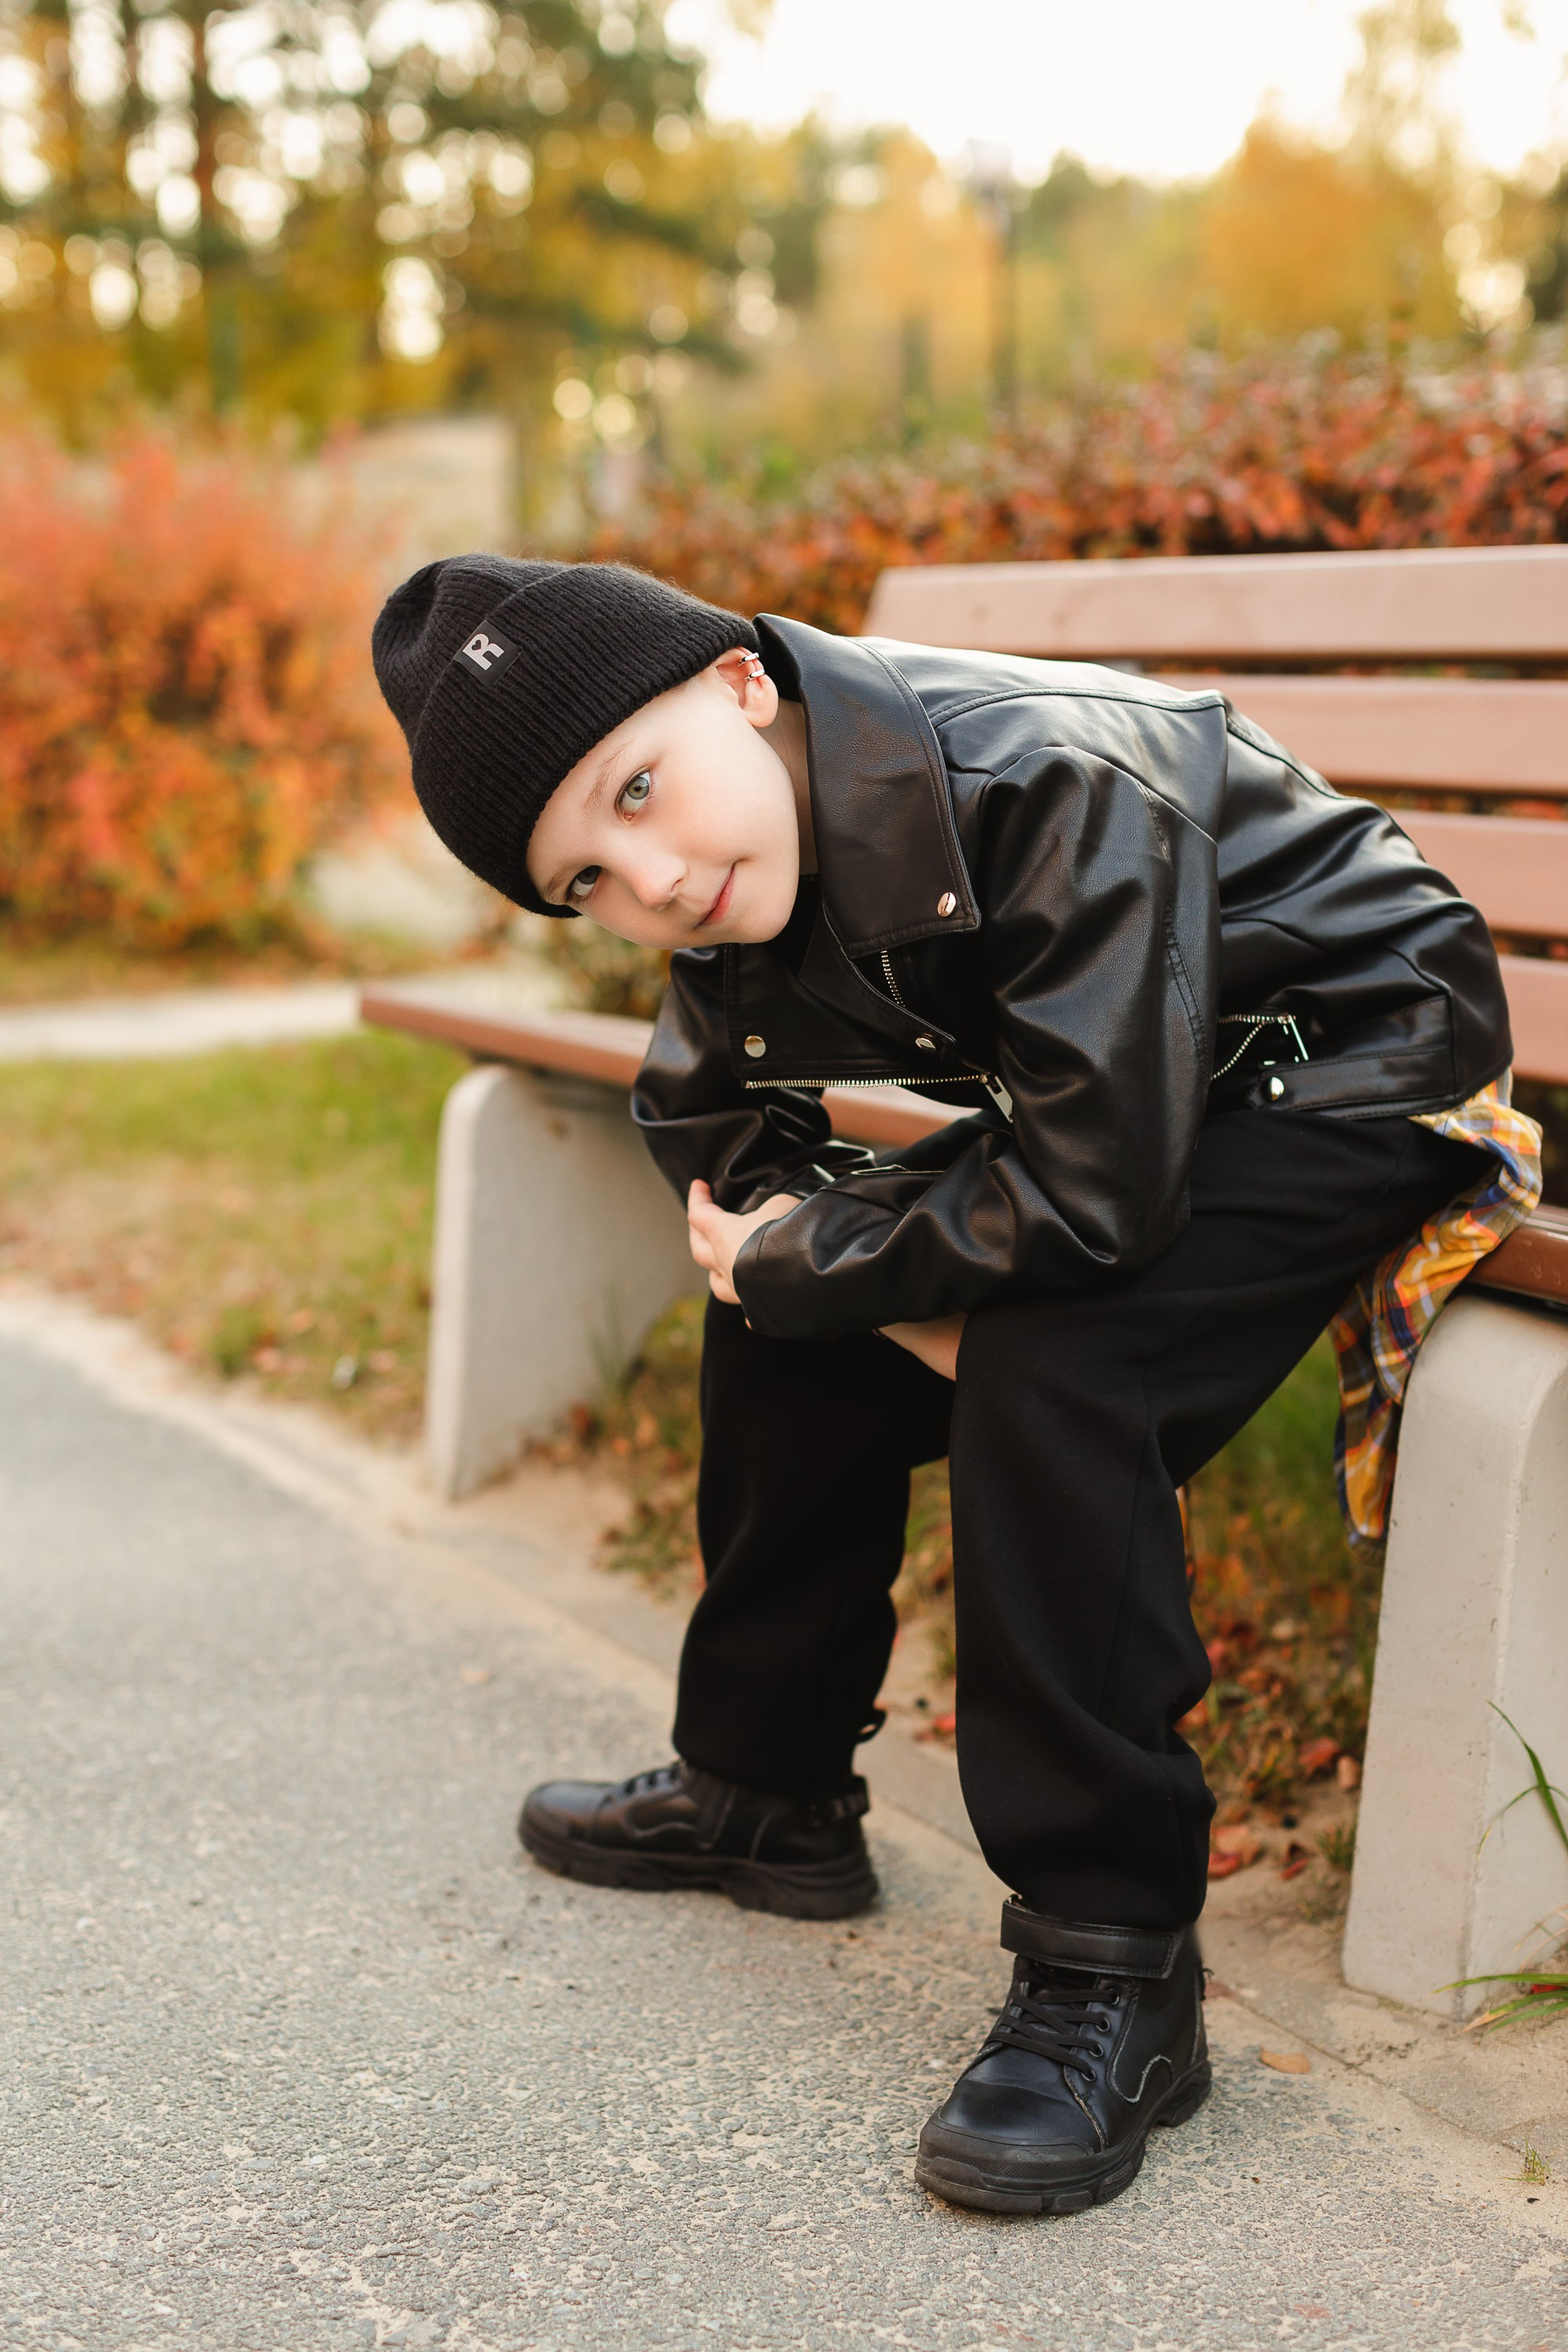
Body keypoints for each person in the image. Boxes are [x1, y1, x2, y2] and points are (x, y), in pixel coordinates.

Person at [372, 554, 1533, 2217]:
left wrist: (835, 1257)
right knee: (787, 1312)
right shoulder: (742, 841)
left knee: (1061, 1364)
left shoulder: (1047, 782)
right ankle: (763, 1789)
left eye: (637, 794)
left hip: (1346, 1067)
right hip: (1139, 1091)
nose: (650, 876)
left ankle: (1115, 1968)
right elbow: (708, 1132)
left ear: (740, 687)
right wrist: (806, 1263)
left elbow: (1095, 1204)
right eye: (587, 884)